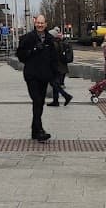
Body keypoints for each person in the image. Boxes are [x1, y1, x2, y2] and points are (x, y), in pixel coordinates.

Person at [16, 13, 58, 141]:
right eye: (38, 23)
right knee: (37, 100)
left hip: (44, 76)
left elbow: (54, 59)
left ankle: (35, 130)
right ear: (35, 23)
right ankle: (39, 130)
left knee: (40, 102)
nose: (40, 25)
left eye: (42, 23)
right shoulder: (27, 38)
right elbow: (20, 55)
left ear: (46, 24)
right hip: (32, 75)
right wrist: (33, 50)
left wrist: (55, 77)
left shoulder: (50, 39)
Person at [47, 27, 73, 107]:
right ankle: (56, 101)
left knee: (54, 83)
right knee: (55, 84)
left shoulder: (54, 44)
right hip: (60, 67)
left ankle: (66, 96)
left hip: (56, 67)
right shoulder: (59, 42)